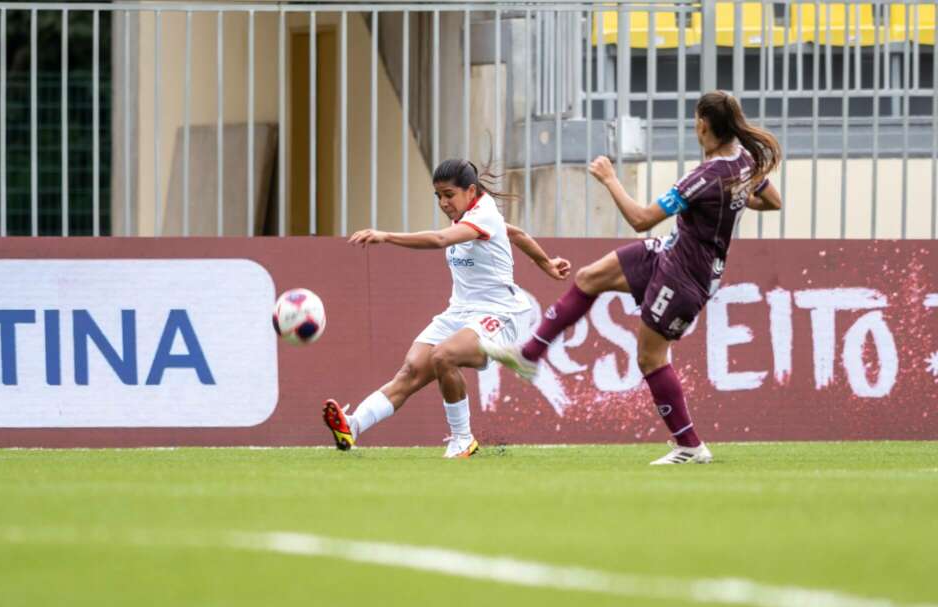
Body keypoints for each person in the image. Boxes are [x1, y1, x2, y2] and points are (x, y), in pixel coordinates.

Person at [481, 91, 783, 465]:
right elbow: (774, 202)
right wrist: (734, 199)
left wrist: (610, 179)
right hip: (670, 252)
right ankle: (529, 355)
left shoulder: (703, 177)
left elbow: (641, 219)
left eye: (695, 118)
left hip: (687, 275)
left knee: (651, 358)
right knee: (591, 277)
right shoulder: (744, 162)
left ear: (702, 123)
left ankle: (690, 446)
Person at [322, 159, 571, 458]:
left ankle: (463, 439)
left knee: (444, 356)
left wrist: (386, 236)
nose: (443, 202)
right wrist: (547, 263)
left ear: (470, 190)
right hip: (460, 312)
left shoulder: (484, 214)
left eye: (448, 194)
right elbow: (515, 234)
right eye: (438, 196)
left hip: (500, 313)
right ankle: (354, 425)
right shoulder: (472, 213)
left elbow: (440, 239)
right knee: (412, 369)